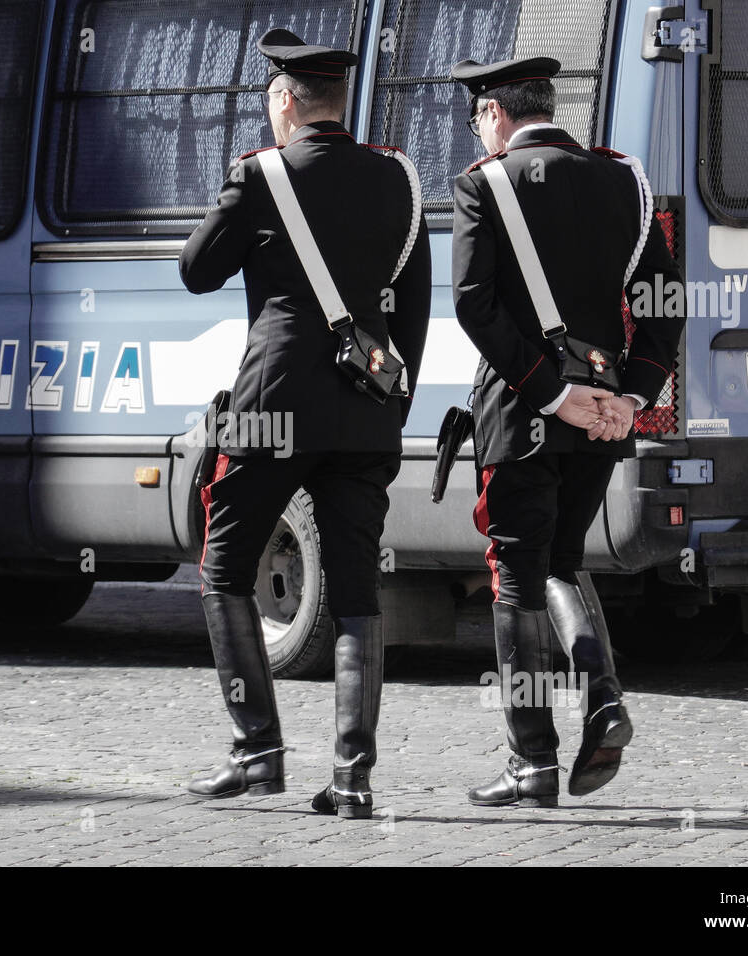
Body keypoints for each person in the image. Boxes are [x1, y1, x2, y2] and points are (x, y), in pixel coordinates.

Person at [179, 28, 431, 819]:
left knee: (224, 567)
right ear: (337, 102)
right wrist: (395, 405)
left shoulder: (259, 176)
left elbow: (195, 271)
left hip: (273, 403)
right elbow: (413, 309)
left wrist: (240, 197)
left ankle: (256, 751)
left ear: (284, 103)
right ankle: (352, 780)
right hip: (366, 407)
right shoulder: (399, 177)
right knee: (358, 593)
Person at [449, 56, 684, 807]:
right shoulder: (626, 181)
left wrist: (552, 395)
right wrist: (629, 396)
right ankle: (604, 703)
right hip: (606, 412)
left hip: (522, 414)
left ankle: (532, 761)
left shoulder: (483, 184)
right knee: (560, 560)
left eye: (478, 119)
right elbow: (661, 305)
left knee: (517, 579)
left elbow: (473, 308)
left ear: (493, 112)